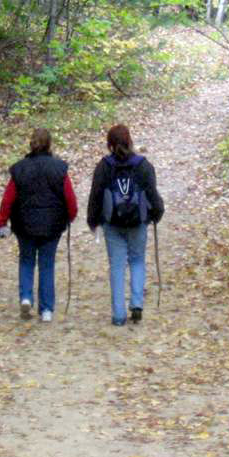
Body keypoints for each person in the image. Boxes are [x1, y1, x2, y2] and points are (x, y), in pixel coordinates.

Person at [0, 128, 77, 322]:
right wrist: (70, 217)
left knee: (26, 261)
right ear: (50, 144)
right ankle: (47, 310)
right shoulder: (59, 168)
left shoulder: (20, 168)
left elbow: (8, 199)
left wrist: (1, 222)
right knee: (47, 264)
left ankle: (25, 297)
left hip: (24, 225)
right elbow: (70, 198)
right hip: (52, 225)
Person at [87, 124, 164, 326]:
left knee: (117, 266)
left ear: (109, 144)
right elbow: (152, 193)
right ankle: (137, 304)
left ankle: (119, 315)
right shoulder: (143, 165)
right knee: (137, 261)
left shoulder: (104, 166)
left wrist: (92, 220)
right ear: (130, 141)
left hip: (112, 223)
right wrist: (157, 213)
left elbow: (95, 195)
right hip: (138, 222)